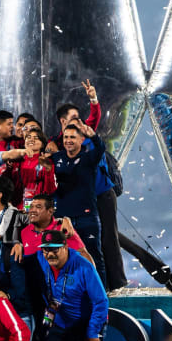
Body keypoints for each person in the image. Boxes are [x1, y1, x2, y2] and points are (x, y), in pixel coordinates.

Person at [51, 119, 107, 288]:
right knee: (63, 258)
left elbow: (101, 148)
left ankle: (101, 293)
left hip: (86, 217)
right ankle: (70, 293)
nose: (68, 140)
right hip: (62, 219)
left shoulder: (88, 158)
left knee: (93, 255)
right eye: (66, 137)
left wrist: (94, 136)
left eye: (72, 137)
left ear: (81, 139)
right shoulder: (56, 158)